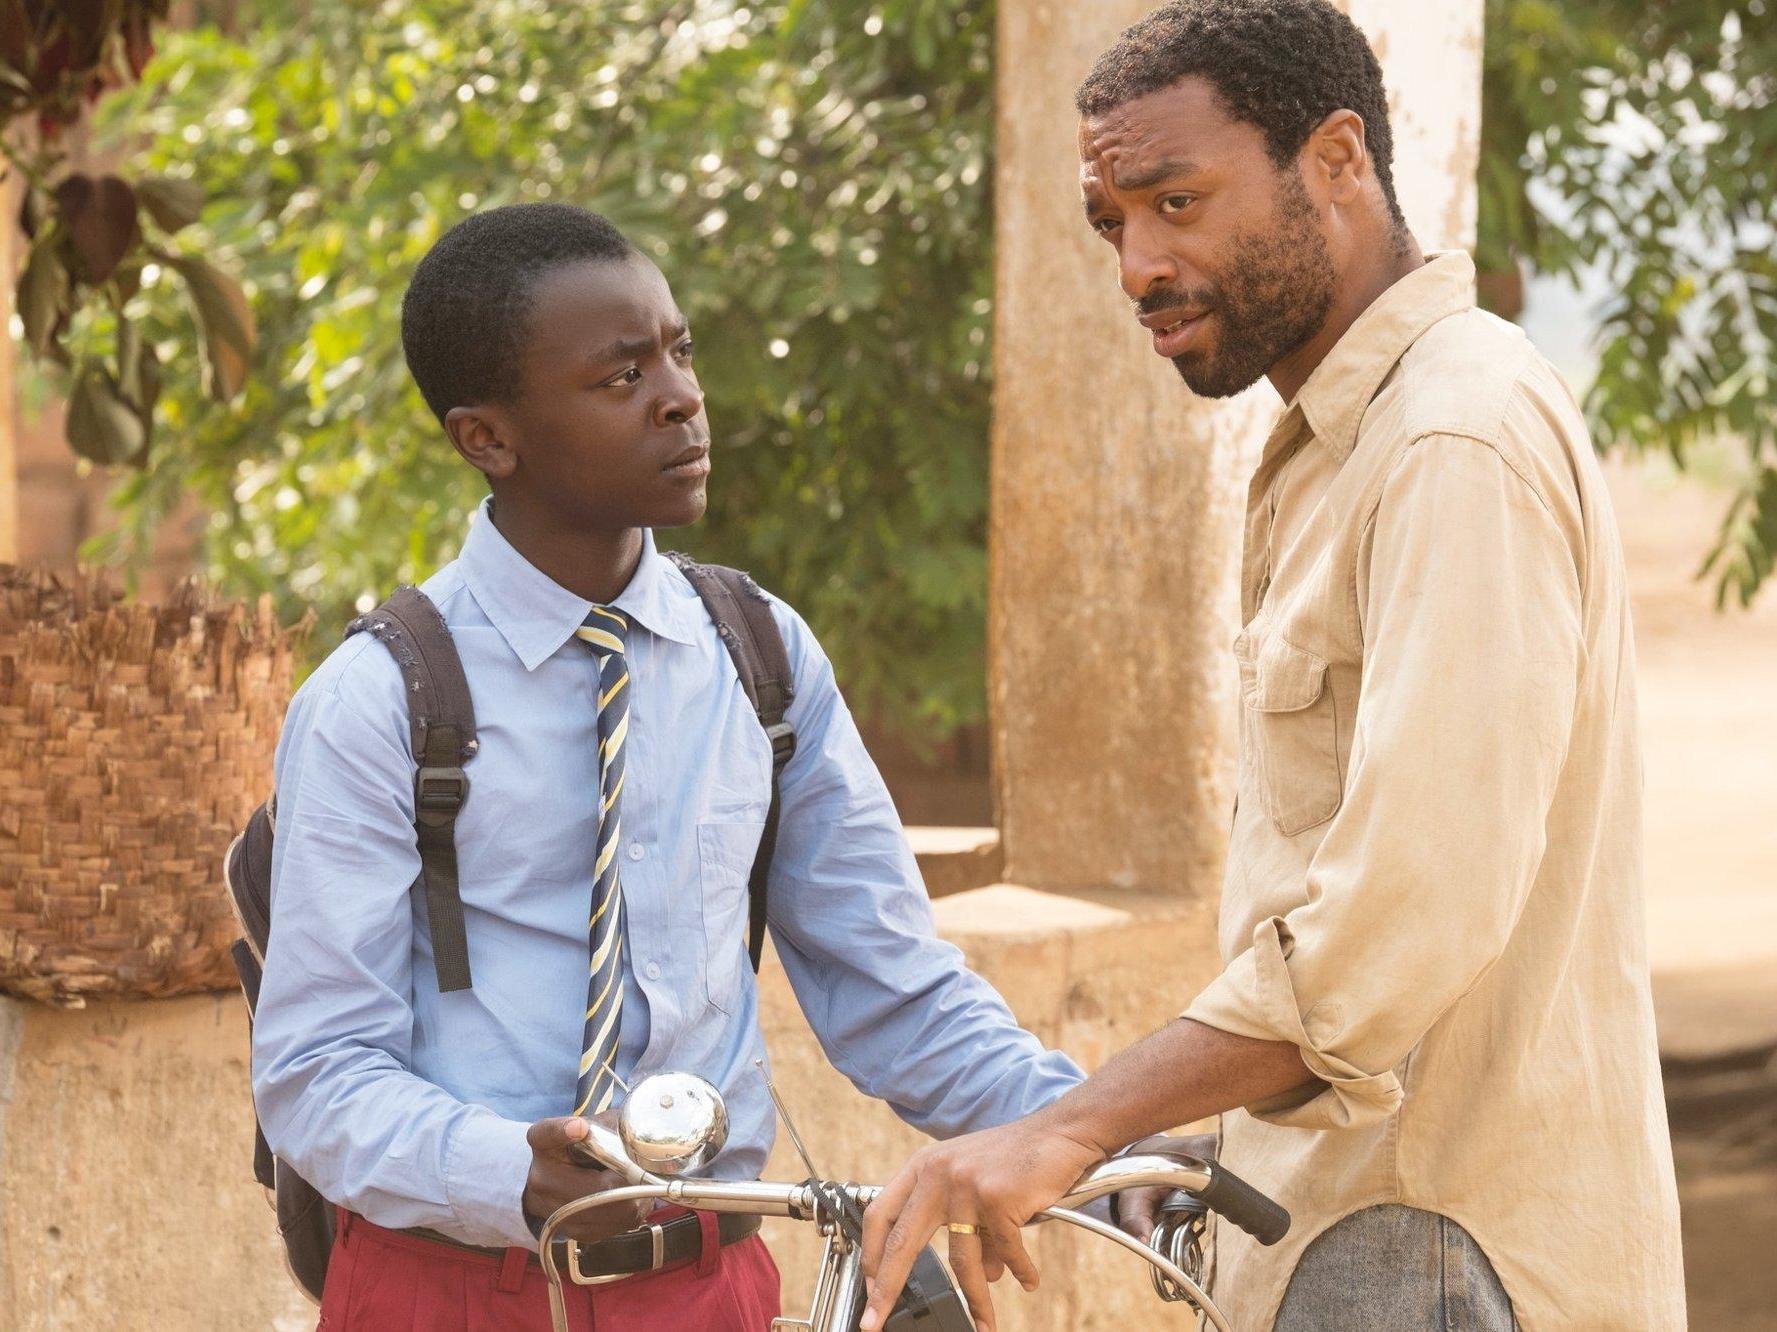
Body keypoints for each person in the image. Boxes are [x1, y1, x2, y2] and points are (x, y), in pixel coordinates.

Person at [856, 3, 1686, 1330]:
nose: (1139, 263)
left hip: (1426, 1244)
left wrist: (1070, 1126)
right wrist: (1191, 1135)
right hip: (1343, 1220)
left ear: (1338, 157)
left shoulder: (1449, 439)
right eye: (1113, 223)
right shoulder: (1337, 445)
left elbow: (1394, 921)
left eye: (1177, 200)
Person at [251, 202, 1084, 1330]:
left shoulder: (760, 655)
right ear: (486, 438)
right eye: (620, 376)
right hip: (450, 1290)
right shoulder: (380, 699)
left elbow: (894, 987)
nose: (681, 397)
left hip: (711, 1289)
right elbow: (316, 1071)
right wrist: (507, 1170)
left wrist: (1088, 1125)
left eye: (680, 353)